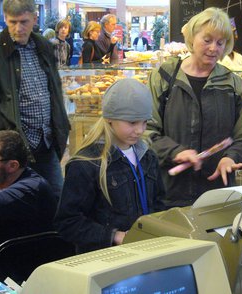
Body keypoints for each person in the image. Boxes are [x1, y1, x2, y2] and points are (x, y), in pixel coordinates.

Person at [146, 7, 242, 208]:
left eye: (220, 42)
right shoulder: (163, 78)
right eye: (207, 40)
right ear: (192, 38)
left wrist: (230, 157)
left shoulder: (232, 85)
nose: (214, 48)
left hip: (217, 195)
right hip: (169, 193)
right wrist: (175, 152)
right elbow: (147, 131)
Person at [55, 78, 165, 254]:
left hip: (144, 251)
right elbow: (68, 222)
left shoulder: (147, 156)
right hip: (104, 258)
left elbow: (159, 202)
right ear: (109, 119)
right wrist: (114, 236)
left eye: (144, 122)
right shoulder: (85, 163)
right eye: (132, 122)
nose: (140, 130)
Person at [0, 0, 70, 201]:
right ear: (5, 18)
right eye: (12, 22)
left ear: (34, 18)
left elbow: (54, 91)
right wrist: (9, 132)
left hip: (47, 140)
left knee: (56, 197)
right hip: (15, 147)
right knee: (19, 202)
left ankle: (53, 233)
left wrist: (61, 126)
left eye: (24, 21)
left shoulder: (43, 46)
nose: (18, 28)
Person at [0, 130, 57, 251]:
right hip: (6, 263)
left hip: (32, 267)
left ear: (13, 165)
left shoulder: (31, 189)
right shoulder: (0, 180)